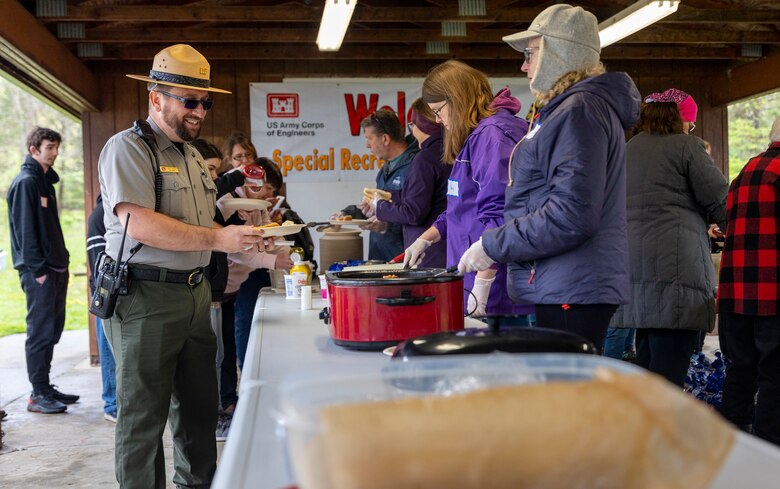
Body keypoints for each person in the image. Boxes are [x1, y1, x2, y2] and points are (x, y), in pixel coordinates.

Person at [98, 44, 266, 489]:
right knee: (142, 421)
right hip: (144, 298)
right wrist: (216, 239)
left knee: (198, 412)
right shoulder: (129, 149)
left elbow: (198, 221)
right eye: (189, 101)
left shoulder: (192, 155)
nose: (200, 111)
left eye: (205, 102)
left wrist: (237, 227)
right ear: (157, 99)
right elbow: (140, 224)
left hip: (193, 295)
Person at [457, 4, 641, 346]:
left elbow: (571, 214)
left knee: (568, 396)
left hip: (573, 285)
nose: (524, 65)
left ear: (560, 52)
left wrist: (493, 245)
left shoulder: (579, 111)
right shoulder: (566, 111)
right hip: (565, 281)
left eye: (531, 53)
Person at [607, 88, 728, 386]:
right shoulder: (687, 148)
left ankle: (640, 430)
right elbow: (721, 201)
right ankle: (664, 432)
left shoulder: (626, 149)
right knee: (669, 375)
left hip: (632, 274)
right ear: (683, 120)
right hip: (675, 275)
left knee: (646, 364)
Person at [405, 60, 533, 320]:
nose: (439, 121)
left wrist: (483, 286)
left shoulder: (492, 137)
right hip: (475, 282)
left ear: (457, 98)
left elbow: (502, 214)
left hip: (497, 293)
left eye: (439, 111)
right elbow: (462, 205)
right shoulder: (477, 136)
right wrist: (427, 237)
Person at [215, 157, 292, 441]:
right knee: (219, 354)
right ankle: (220, 413)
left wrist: (274, 241)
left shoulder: (258, 205)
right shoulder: (226, 202)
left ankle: (230, 405)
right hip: (216, 289)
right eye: (265, 188)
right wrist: (273, 261)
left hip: (236, 285)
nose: (269, 196)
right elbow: (233, 249)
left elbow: (259, 237)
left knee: (229, 348)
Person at [717, 117, 780, 445]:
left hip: (736, 291)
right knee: (774, 378)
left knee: (740, 372)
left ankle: (730, 449)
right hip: (772, 293)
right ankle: (771, 454)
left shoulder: (745, 171)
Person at [6, 126, 76, 415]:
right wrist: (38, 270)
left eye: (57, 147)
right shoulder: (26, 182)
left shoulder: (45, 182)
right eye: (49, 147)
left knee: (53, 330)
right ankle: (37, 394)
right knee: (40, 332)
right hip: (40, 272)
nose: (55, 153)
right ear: (34, 149)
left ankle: (45, 387)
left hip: (56, 267)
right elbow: (26, 232)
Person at [363, 98, 450, 268]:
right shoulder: (446, 151)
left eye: (413, 125)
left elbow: (413, 212)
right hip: (441, 247)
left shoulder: (424, 158)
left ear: (423, 126)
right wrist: (388, 197)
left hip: (427, 253)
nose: (412, 130)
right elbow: (419, 196)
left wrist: (380, 206)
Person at [359, 109, 418, 261]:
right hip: (380, 259)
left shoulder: (415, 166)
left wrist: (387, 226)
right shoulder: (385, 168)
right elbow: (386, 207)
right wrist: (357, 211)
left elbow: (417, 214)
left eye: (369, 139)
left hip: (401, 261)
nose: (367, 145)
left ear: (385, 138)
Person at [86, 194, 117, 422]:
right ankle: (112, 404)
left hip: (122, 288)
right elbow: (99, 261)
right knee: (107, 348)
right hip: (107, 290)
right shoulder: (101, 213)